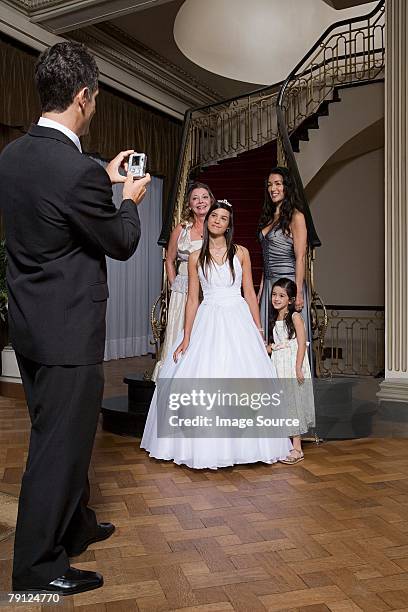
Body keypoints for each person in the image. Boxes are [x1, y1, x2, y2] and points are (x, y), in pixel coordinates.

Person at [0, 42, 150, 595]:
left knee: (61, 432)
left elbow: (55, 213)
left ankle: (77, 526)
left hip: (32, 329)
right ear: (84, 98)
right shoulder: (77, 173)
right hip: (69, 335)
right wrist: (129, 197)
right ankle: (36, 568)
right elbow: (121, 241)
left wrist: (99, 177)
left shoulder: (13, 156)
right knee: (57, 446)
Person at [141, 201, 293, 469]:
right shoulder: (195, 256)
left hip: (237, 318)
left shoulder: (242, 253)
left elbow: (248, 293)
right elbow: (191, 300)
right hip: (208, 316)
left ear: (228, 224)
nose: (217, 221)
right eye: (214, 216)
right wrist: (186, 337)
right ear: (208, 219)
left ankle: (245, 445)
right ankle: (204, 445)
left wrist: (258, 331)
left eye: (223, 218)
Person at [151, 182, 215, 381]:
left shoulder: (217, 226)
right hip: (183, 290)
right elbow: (169, 260)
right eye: (195, 198)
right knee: (179, 334)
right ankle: (174, 379)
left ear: (211, 201)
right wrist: (174, 285)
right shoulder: (181, 229)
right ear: (189, 204)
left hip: (207, 291)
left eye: (204, 197)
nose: (200, 202)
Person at [257, 167, 310, 346]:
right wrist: (261, 291)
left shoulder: (296, 216)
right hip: (270, 285)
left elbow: (300, 257)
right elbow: (266, 259)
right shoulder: (269, 216)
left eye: (278, 184)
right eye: (270, 185)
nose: (273, 188)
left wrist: (299, 293)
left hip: (288, 284)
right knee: (268, 340)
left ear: (287, 187)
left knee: (288, 341)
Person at [266, 278, 315, 464]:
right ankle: (285, 443)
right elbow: (279, 345)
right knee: (284, 402)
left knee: (294, 402)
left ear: (291, 299)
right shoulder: (275, 318)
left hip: (292, 364)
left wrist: (298, 367)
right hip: (279, 364)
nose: (276, 299)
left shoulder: (294, 317)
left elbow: (301, 342)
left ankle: (297, 447)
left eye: (281, 295)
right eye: (274, 295)